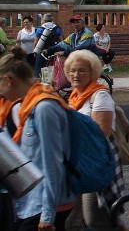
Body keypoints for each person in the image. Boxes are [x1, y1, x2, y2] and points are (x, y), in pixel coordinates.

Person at [0, 47, 76, 231]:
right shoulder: (29, 105)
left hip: (47, 205)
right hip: (32, 203)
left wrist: (47, 215)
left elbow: (53, 164)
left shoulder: (43, 107)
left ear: (9, 80)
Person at [64, 50, 123, 230]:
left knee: (96, 219)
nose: (76, 75)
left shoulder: (100, 96)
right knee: (73, 221)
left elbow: (100, 133)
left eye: (82, 70)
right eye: (73, 70)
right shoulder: (74, 97)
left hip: (94, 165)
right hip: (78, 166)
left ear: (93, 73)